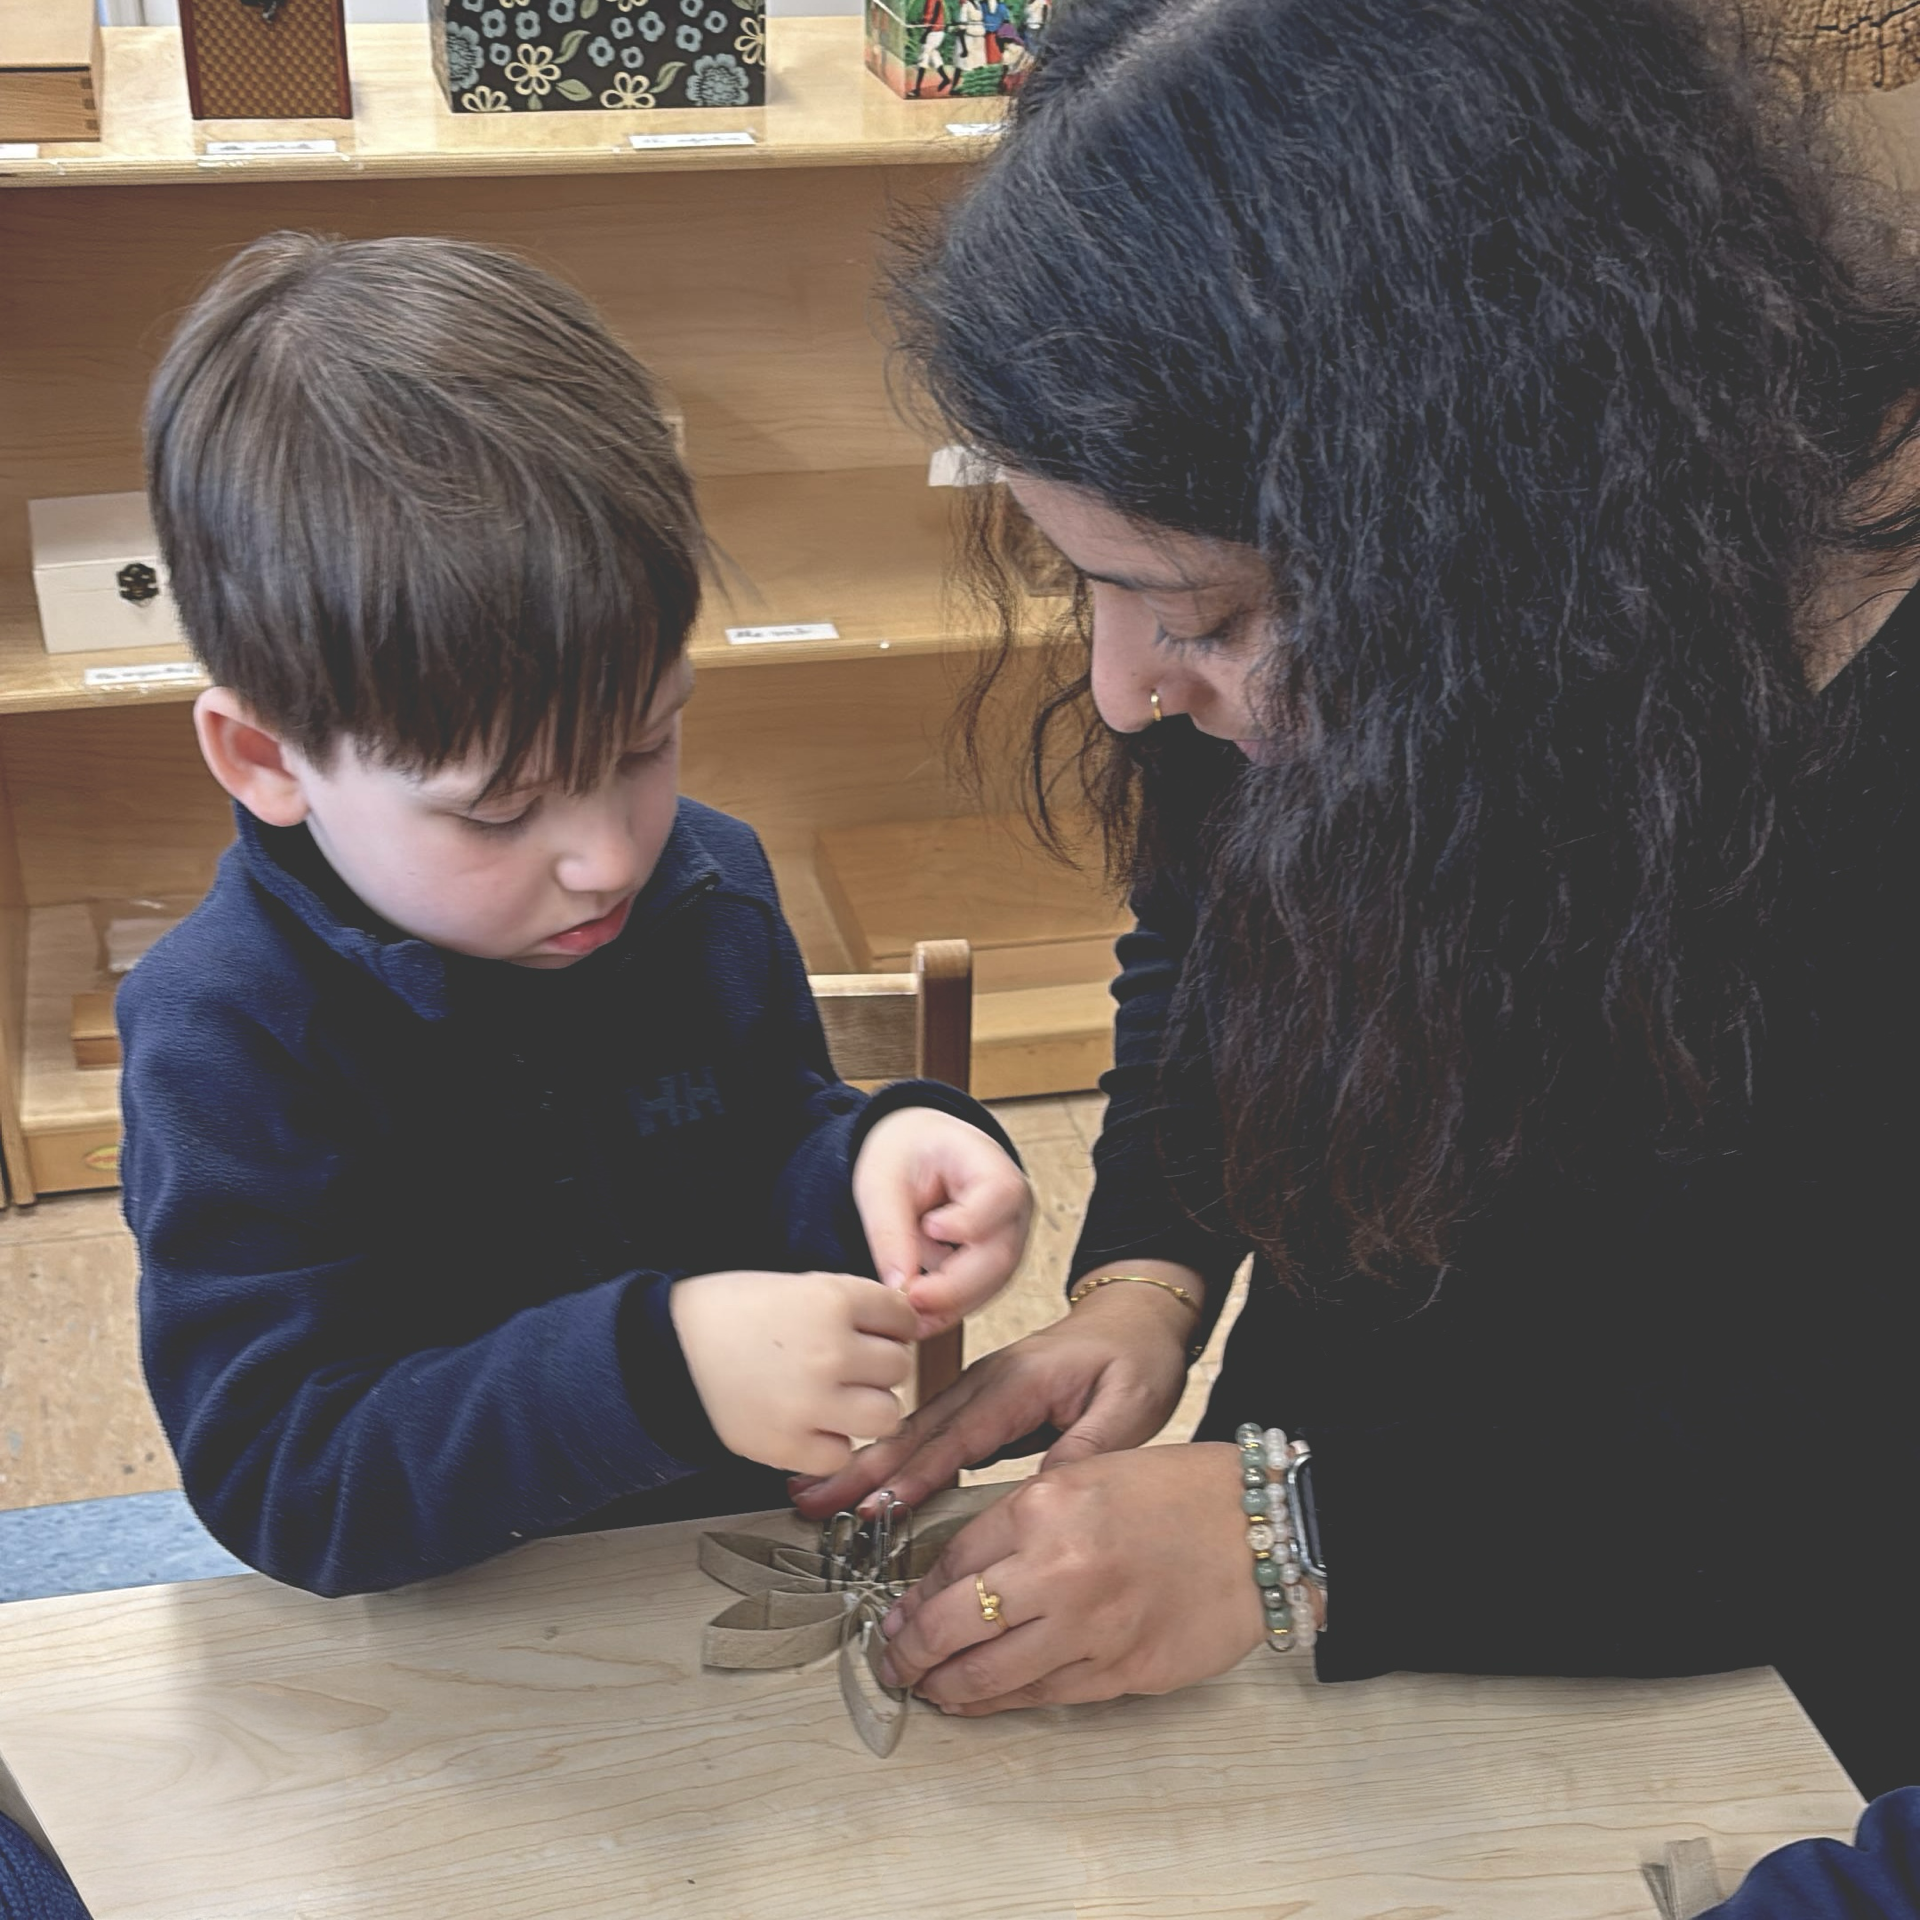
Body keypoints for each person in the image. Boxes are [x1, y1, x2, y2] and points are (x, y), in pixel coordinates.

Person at [793, 0, 1920, 1798]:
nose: (1121, 691)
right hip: (1341, 1540)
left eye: (1213, 617)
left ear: (1506, 508)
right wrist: (1148, 1279)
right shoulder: (1443, 597)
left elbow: (1846, 1458)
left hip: (1736, 1689)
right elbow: (1226, 928)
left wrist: (1292, 1536)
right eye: (1096, 586)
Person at [119, 234, 1031, 1600]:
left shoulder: (705, 888)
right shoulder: (227, 1032)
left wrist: (874, 1163)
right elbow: (285, 1480)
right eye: (499, 811)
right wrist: (653, 1373)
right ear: (266, 758)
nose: (609, 859)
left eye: (646, 745)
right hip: (450, 1635)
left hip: (721, 1575)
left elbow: (766, 1150)